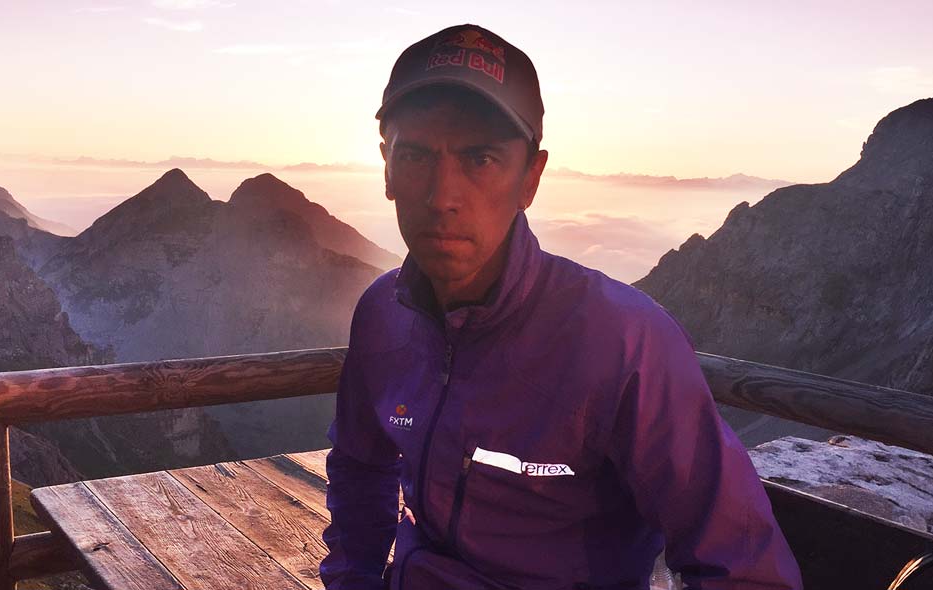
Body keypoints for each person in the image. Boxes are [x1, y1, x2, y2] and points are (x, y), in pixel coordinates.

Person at [321, 23, 803, 590]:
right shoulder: (383, 315)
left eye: (481, 159)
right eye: (416, 156)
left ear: (531, 177)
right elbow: (360, 467)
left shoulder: (624, 344)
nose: (442, 196)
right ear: (386, 168)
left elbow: (744, 568)